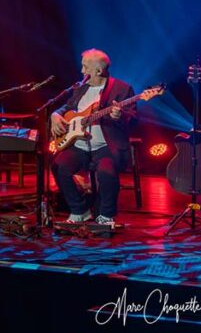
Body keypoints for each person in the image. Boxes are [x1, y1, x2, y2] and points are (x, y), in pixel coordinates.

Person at [50, 49, 137, 225]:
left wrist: (119, 116)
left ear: (98, 71)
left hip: (106, 147)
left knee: (107, 172)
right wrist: (55, 115)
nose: (82, 71)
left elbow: (134, 118)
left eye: (85, 67)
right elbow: (66, 108)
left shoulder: (122, 89)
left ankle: (106, 215)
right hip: (79, 146)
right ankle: (79, 210)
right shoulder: (81, 88)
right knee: (59, 166)